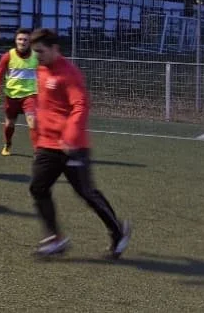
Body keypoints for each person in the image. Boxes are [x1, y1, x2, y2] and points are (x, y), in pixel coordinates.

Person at [27, 28, 131, 258]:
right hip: (47, 144)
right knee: (38, 188)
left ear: (55, 49)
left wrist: (70, 137)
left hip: (73, 146)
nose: (37, 56)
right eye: (35, 52)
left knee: (86, 192)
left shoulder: (69, 74)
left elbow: (80, 106)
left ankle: (118, 232)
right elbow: (40, 100)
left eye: (41, 51)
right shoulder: (40, 69)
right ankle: (56, 239)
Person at [0, 28, 40, 156]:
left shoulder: (37, 56)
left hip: (30, 95)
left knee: (32, 120)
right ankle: (7, 143)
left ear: (30, 42)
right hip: (11, 96)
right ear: (15, 40)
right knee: (9, 124)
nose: (22, 42)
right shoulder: (8, 56)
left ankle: (38, 151)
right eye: (20, 39)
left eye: (25, 40)